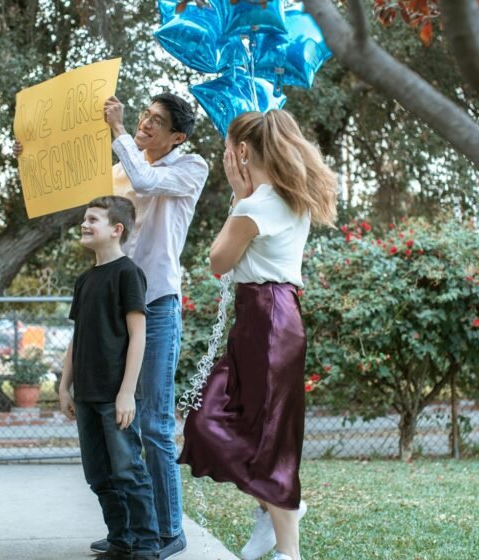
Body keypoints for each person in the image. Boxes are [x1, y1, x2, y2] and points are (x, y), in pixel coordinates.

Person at [177, 110, 338, 560]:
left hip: (267, 317)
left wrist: (237, 195)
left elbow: (218, 261)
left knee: (261, 431)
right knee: (234, 422)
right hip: (268, 316)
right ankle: (276, 507)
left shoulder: (254, 207)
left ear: (243, 151)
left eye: (228, 147)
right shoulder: (291, 197)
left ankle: (287, 542)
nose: (226, 155)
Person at [99, 92, 208, 560]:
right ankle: (129, 532)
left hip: (158, 307)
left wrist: (119, 129)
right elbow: (90, 211)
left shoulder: (191, 167)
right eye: (144, 115)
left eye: (156, 121)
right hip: (116, 308)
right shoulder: (121, 168)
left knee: (155, 424)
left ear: (177, 137)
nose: (144, 123)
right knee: (118, 422)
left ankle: (169, 531)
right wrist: (32, 159)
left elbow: (146, 179)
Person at [58, 195, 159, 560]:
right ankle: (121, 541)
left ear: (116, 229)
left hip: (116, 395)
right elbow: (77, 337)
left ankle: (146, 546)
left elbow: (138, 335)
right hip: (86, 395)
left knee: (128, 471)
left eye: (92, 219)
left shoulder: (128, 274)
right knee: (99, 476)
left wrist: (127, 392)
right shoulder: (84, 280)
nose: (84, 225)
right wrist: (64, 385)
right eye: (84, 219)